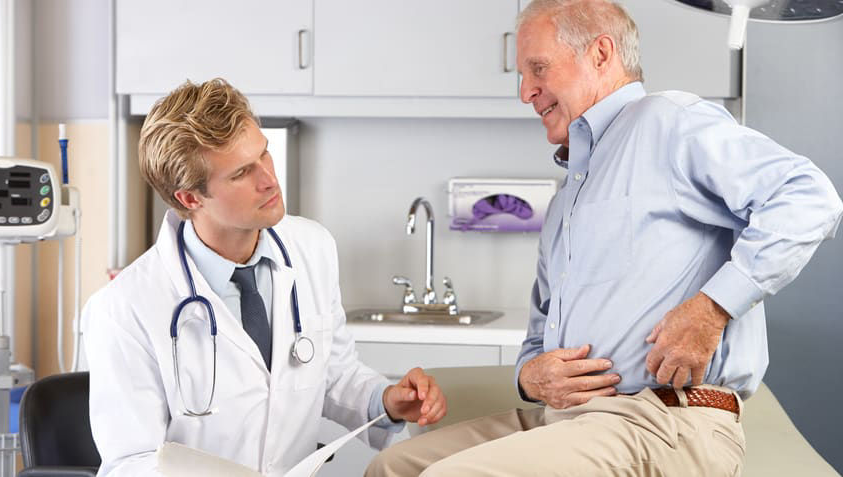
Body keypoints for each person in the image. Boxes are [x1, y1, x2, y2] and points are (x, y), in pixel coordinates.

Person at [366, 0, 843, 475]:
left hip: (662, 420)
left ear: (600, 54)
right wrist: (531, 377)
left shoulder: (669, 122)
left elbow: (809, 197)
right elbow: (538, 337)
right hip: (562, 422)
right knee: (393, 468)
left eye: (538, 68)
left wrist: (711, 308)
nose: (525, 92)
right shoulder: (567, 198)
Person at [84, 78, 446, 476]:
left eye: (264, 154)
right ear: (190, 197)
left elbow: (333, 373)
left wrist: (386, 400)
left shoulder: (312, 248)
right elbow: (130, 464)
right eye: (241, 172)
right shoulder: (123, 309)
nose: (269, 179)